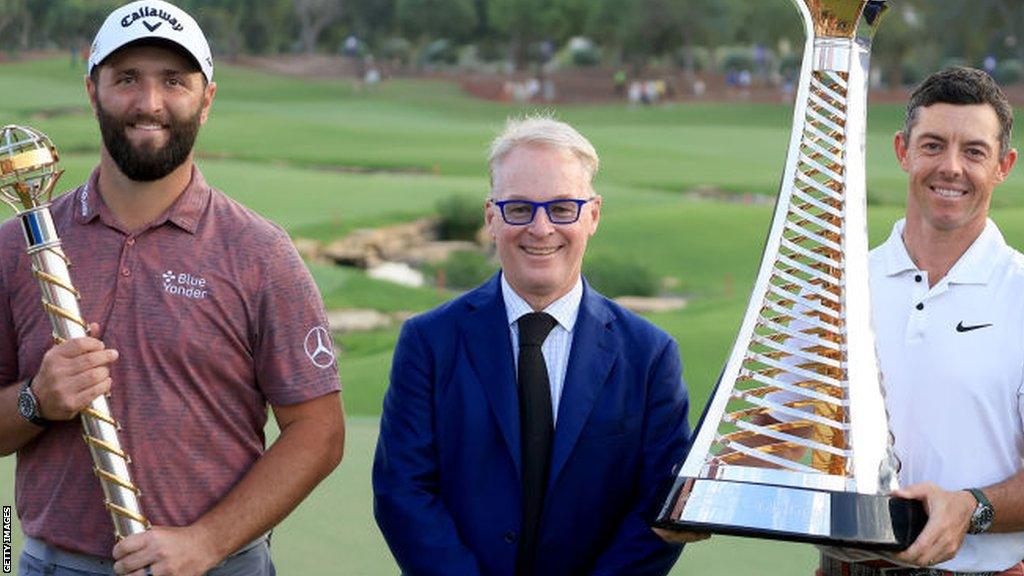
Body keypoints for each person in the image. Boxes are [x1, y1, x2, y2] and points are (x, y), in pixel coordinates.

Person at [0, 1, 345, 574]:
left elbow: (319, 433)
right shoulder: (19, 245)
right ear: (93, 90)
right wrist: (37, 399)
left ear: (206, 99)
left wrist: (208, 540)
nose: (150, 103)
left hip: (219, 564)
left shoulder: (260, 253)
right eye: (127, 79)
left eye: (174, 81)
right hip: (50, 562)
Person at [372, 116, 697, 576]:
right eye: (519, 209)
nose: (541, 228)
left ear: (593, 215)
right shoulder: (428, 342)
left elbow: (658, 511)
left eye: (563, 208)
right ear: (491, 218)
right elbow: (402, 493)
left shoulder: (650, 355)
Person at [817, 67, 1024, 576]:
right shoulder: (840, 286)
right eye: (933, 145)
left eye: (974, 151)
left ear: (1004, 165)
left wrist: (971, 507)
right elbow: (778, 425)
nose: (951, 167)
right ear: (903, 151)